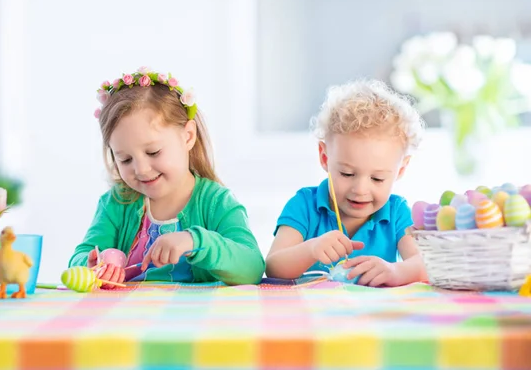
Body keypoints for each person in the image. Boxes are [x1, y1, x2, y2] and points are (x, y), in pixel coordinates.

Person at [69, 66, 264, 286]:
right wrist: (91, 264)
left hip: (196, 318)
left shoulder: (216, 202)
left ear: (188, 136)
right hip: (127, 318)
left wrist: (195, 241)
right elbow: (80, 257)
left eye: (153, 152)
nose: (141, 169)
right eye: (125, 159)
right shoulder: (116, 204)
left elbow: (253, 267)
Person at [265, 79, 427, 287]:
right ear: (325, 158)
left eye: (377, 178)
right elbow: (273, 266)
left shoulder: (397, 212)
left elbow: (426, 264)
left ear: (401, 169)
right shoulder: (304, 205)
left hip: (377, 317)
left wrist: (395, 271)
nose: (360, 190)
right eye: (347, 173)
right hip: (313, 315)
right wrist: (311, 249)